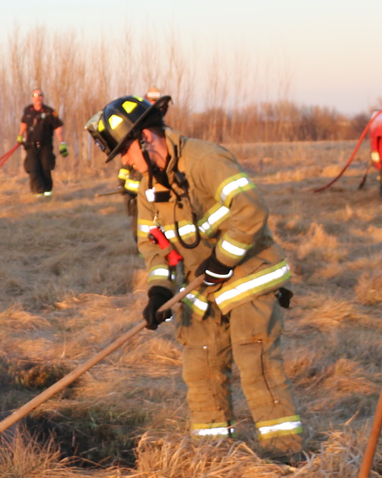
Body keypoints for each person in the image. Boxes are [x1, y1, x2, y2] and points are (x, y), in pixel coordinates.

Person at [85, 94, 302, 457]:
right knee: (201, 370)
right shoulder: (145, 188)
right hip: (200, 292)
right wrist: (158, 291)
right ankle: (214, 456)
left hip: (248, 276)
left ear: (146, 138)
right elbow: (153, 246)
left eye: (124, 150)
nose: (123, 161)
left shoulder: (204, 159)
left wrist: (223, 259)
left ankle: (285, 457)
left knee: (256, 366)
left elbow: (251, 209)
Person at [16, 88, 66, 198]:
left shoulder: (49, 112)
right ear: (32, 98)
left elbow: (58, 128)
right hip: (31, 146)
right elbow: (24, 123)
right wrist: (20, 134)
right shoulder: (28, 111)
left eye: (40, 95)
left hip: (45, 146)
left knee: (45, 168)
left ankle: (47, 192)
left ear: (42, 97)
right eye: (35, 95)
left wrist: (62, 143)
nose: (38, 98)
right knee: (33, 169)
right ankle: (38, 192)